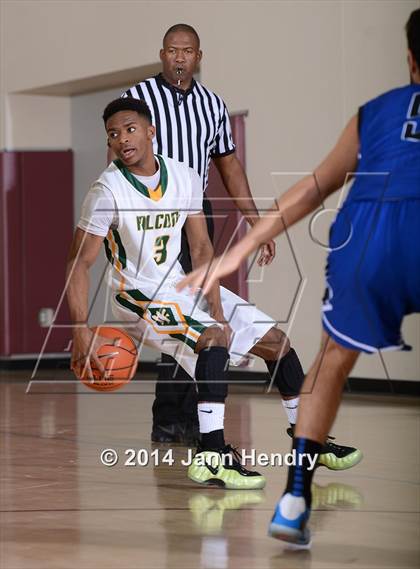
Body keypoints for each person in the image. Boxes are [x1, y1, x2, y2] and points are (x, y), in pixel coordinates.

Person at [177, 9, 420, 544]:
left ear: (409, 59)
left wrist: (239, 249)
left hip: (372, 237)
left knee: (331, 361)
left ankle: (293, 498)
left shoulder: (375, 112)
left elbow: (314, 188)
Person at [66, 98, 360, 490]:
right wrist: (80, 330)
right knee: (213, 339)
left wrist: (217, 304)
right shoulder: (107, 191)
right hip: (136, 296)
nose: (122, 139)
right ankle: (213, 455)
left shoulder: (184, 176)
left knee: (277, 343)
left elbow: (202, 249)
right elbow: (78, 264)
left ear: (151, 131)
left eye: (130, 129)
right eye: (113, 134)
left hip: (181, 282)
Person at [119, 23, 276, 444]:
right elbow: (118, 156)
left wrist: (257, 222)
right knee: (175, 313)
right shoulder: (139, 99)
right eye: (172, 50)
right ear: (162, 54)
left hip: (196, 213)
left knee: (203, 311)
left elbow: (229, 168)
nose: (180, 58)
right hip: (153, 213)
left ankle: (192, 417)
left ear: (198, 57)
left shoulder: (213, 106)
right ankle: (168, 417)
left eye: (187, 51)